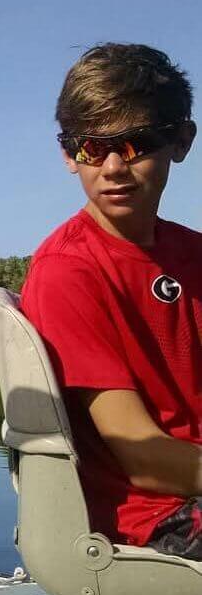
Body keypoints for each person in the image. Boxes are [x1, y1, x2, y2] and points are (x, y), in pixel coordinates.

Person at [20, 43, 200, 558]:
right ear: (68, 155)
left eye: (136, 143)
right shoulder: (67, 271)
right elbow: (142, 458)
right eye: (92, 148)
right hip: (154, 517)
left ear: (181, 141)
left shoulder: (193, 253)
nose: (114, 167)